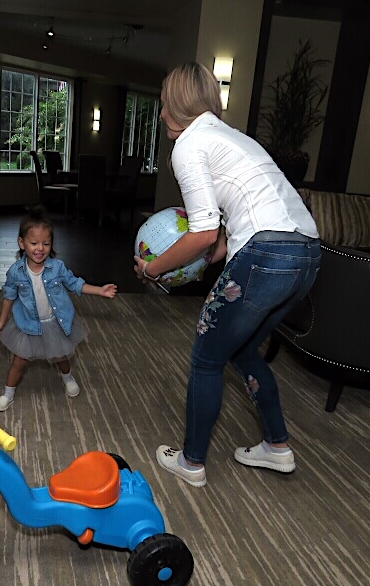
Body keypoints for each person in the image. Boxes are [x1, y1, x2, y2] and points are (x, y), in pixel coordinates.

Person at [133, 62, 321, 487]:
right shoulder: (231, 137)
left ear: (179, 105)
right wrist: (201, 262)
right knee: (244, 351)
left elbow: (201, 233)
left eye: (164, 105)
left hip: (266, 253)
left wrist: (153, 269)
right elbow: (220, 237)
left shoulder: (189, 145)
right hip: (306, 255)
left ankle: (191, 462)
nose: (162, 114)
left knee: (206, 358)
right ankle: (277, 446)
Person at [0, 207, 117, 411]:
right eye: (34, 243)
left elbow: (75, 284)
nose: (40, 248)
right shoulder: (16, 272)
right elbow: (9, 296)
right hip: (28, 324)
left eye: (46, 243)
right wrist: (1, 321)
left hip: (54, 322)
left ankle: (67, 377)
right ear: (22, 243)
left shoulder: (57, 267)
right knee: (19, 361)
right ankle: (8, 394)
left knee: (60, 355)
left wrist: (99, 290)